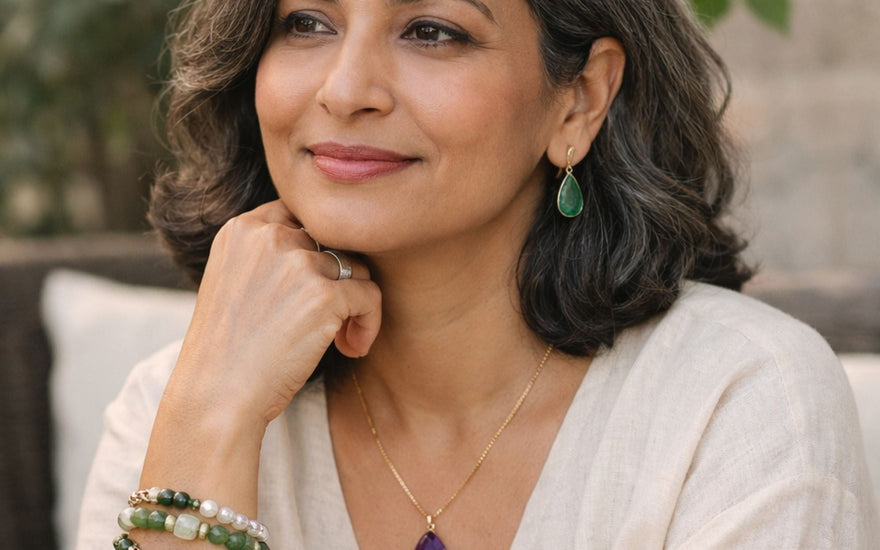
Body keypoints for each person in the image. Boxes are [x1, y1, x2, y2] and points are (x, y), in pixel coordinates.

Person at [77, 0, 877, 548]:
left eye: (431, 30)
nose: (345, 89)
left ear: (579, 100)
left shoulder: (736, 398)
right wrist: (211, 422)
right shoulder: (175, 406)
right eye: (307, 21)